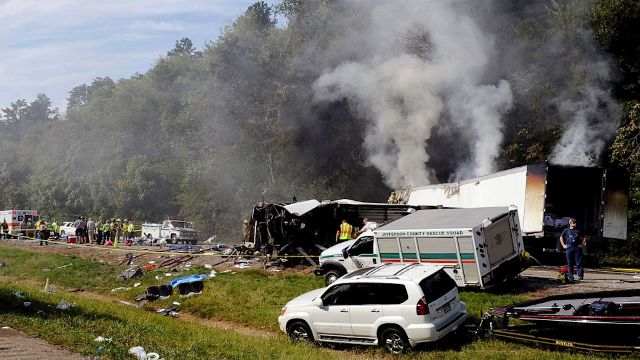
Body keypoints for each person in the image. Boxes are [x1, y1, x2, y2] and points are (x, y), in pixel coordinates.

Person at [560, 218, 586, 282]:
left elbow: (584, 238)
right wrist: (563, 245)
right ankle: (570, 276)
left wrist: (581, 245)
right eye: (573, 222)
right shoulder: (566, 230)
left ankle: (580, 275)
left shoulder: (578, 231)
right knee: (569, 263)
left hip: (576, 248)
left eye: (575, 222)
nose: (574, 224)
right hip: (569, 247)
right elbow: (561, 237)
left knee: (578, 262)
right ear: (570, 223)